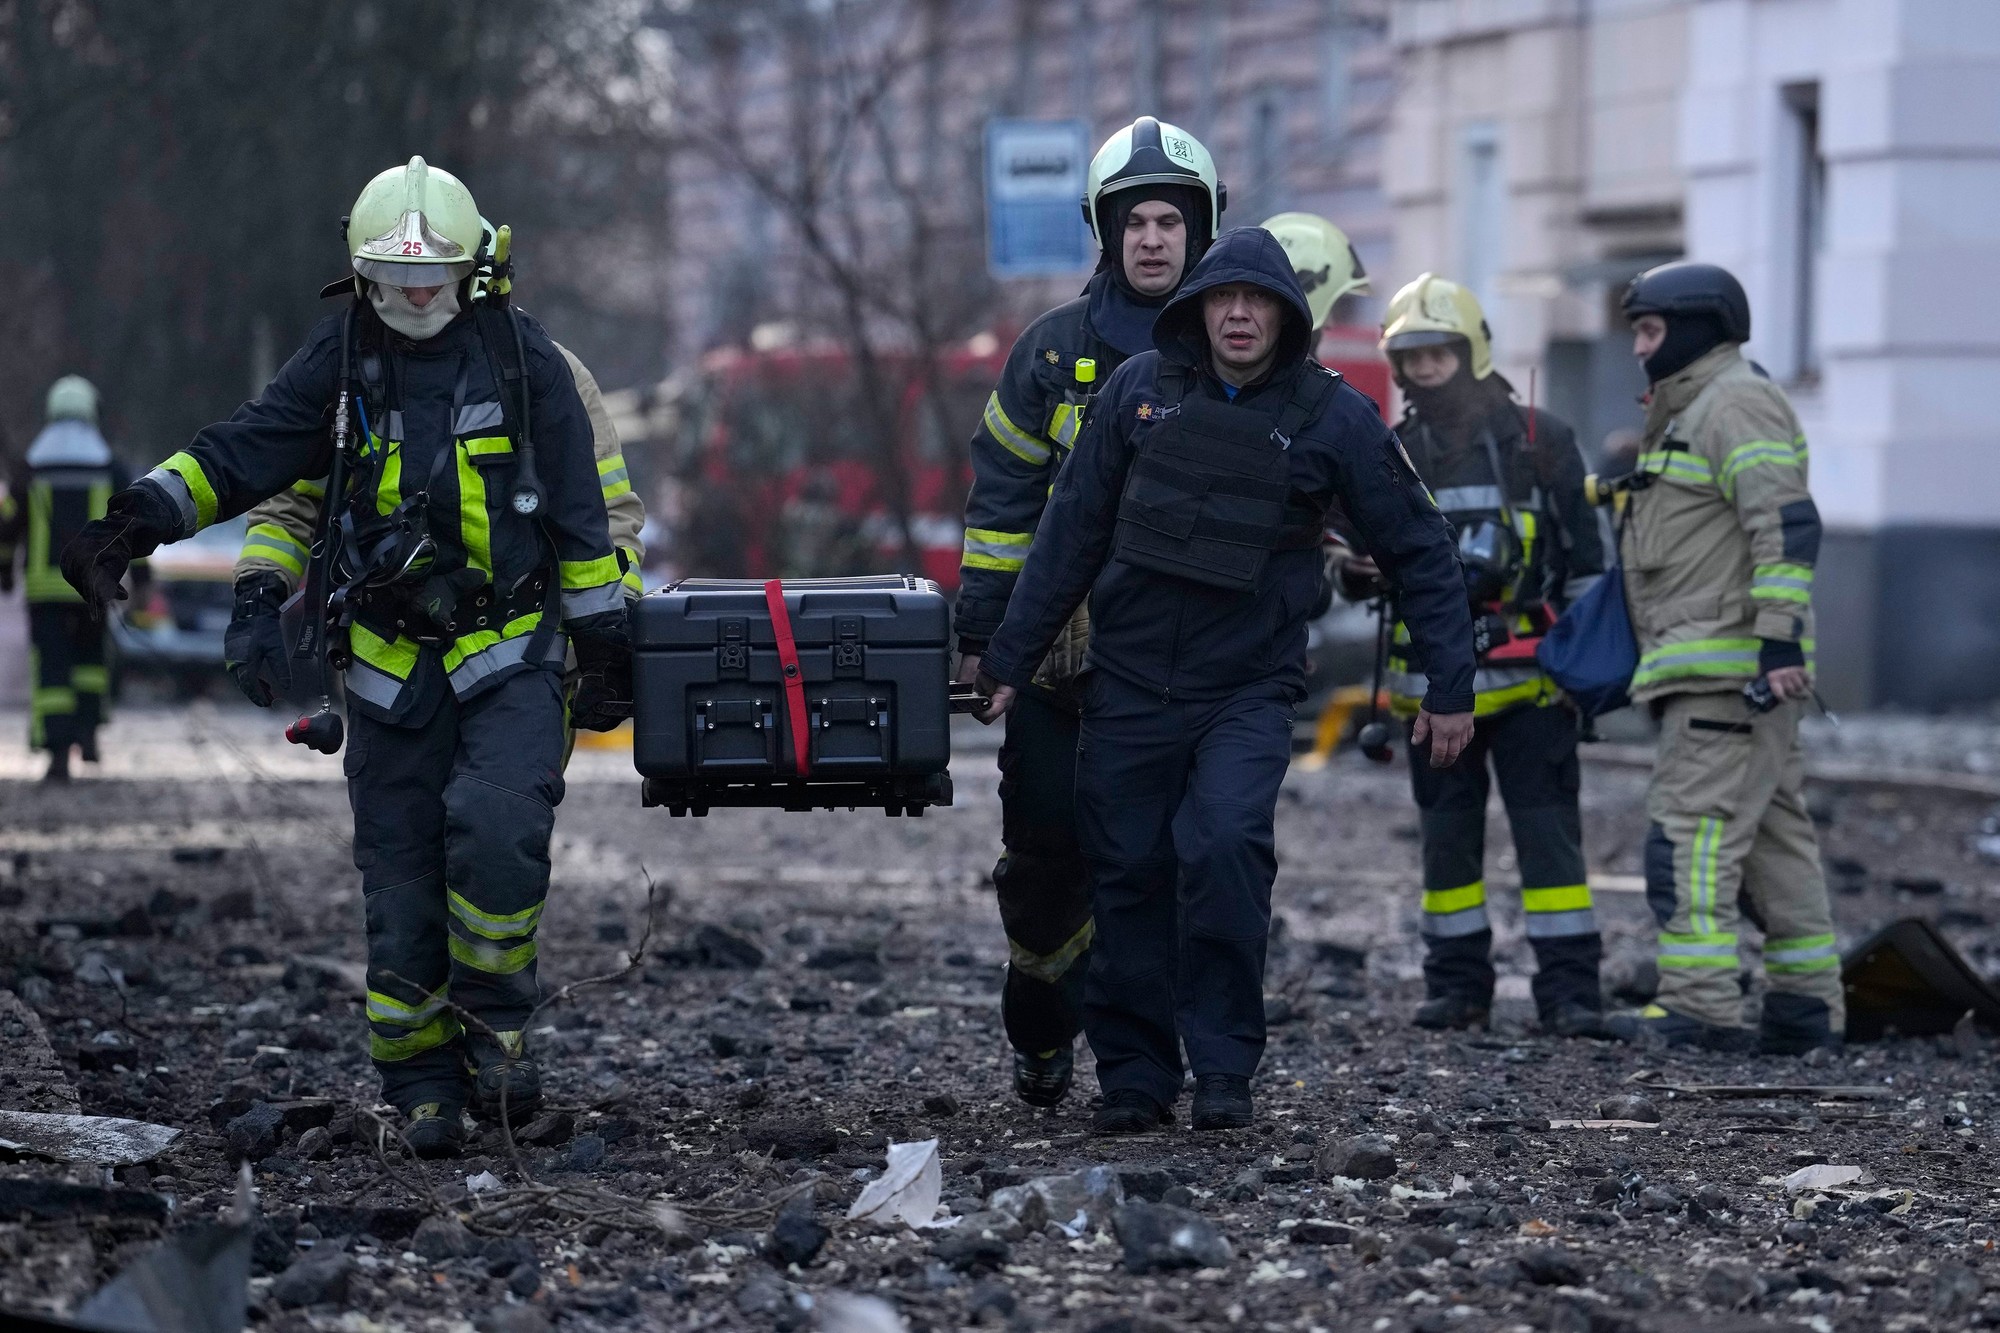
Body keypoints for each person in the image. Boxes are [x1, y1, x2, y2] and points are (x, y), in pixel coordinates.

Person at [60, 157, 633, 1154]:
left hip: (508, 649)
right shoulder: (342, 363)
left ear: (474, 269)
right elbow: (250, 451)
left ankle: (496, 1037)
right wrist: (145, 514)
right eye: (397, 276)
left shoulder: (527, 363)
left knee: (497, 832)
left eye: (434, 276)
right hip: (388, 661)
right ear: (361, 273)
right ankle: (420, 1084)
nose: (417, 294)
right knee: (401, 880)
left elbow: (587, 521)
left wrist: (607, 646)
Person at [975, 227, 1475, 1133]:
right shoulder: (1136, 393)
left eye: (1259, 302)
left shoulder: (1333, 415)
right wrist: (1010, 658)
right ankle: (1134, 1075)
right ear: (1197, 310)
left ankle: (1224, 1067)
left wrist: (1451, 685)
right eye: (1223, 299)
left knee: (1224, 849)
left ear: (1288, 316)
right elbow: (1070, 534)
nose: (1240, 316)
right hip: (1125, 686)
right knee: (1126, 873)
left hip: (1245, 690)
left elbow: (1420, 547)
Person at [955, 116, 1225, 1109]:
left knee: (1170, 866)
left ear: (1200, 231)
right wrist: (987, 637)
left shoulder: (1235, 345)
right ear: (1104, 234)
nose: (1152, 239)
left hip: (1183, 671)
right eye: (1134, 222)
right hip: (1056, 672)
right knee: (1042, 867)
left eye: (1169, 220)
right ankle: (1038, 1020)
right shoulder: (1049, 355)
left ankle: (1145, 1068)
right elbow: (999, 507)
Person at [1326, 273, 1607, 1036]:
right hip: (1431, 697)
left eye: (1438, 353)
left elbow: (1586, 565)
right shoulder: (1392, 449)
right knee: (1446, 848)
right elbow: (1350, 558)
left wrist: (1586, 672)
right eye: (1410, 357)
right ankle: (1457, 987)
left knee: (1550, 844)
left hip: (1535, 685)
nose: (1424, 369)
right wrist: (1352, 571)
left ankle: (1572, 994)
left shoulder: (1540, 439)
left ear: (1472, 349)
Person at [1605, 260, 1839, 1055]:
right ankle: (1806, 1009)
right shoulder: (1697, 408)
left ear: (1696, 327)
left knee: (1689, 838)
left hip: (1728, 671)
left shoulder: (1730, 401)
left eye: (1649, 329)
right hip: (1728, 670)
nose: (1639, 348)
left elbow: (1786, 522)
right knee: (1775, 845)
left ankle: (1701, 1003)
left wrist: (1776, 637)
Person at [0, 377, 125, 781]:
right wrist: (141, 576)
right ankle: (87, 733)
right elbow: (133, 523)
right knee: (90, 662)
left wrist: (4, 569)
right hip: (92, 586)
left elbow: (7, 526)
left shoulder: (31, 468)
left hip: (43, 589)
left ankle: (56, 754)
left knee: (52, 670)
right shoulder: (109, 466)